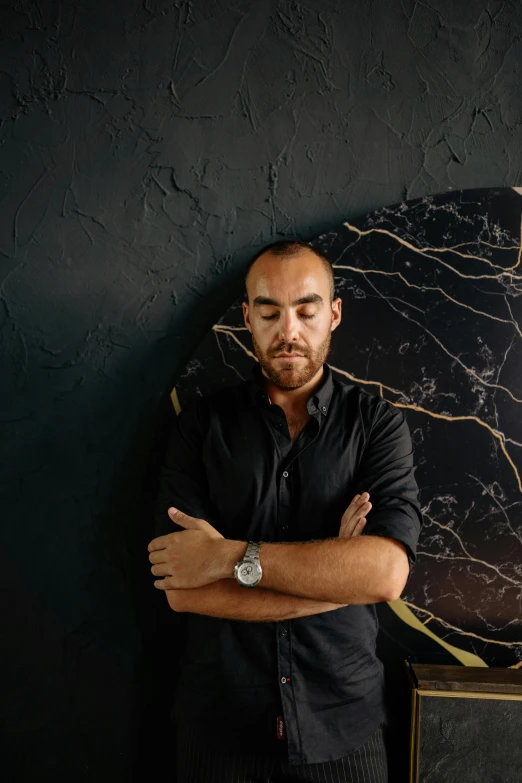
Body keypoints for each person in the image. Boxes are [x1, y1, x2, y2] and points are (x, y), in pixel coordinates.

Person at [147, 239, 423, 782]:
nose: (288, 331)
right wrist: (338, 577)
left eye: (306, 309)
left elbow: (386, 574)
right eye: (270, 312)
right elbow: (181, 586)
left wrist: (228, 557)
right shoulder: (201, 428)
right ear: (248, 317)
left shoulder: (378, 427)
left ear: (334, 315)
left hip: (344, 730)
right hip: (220, 733)